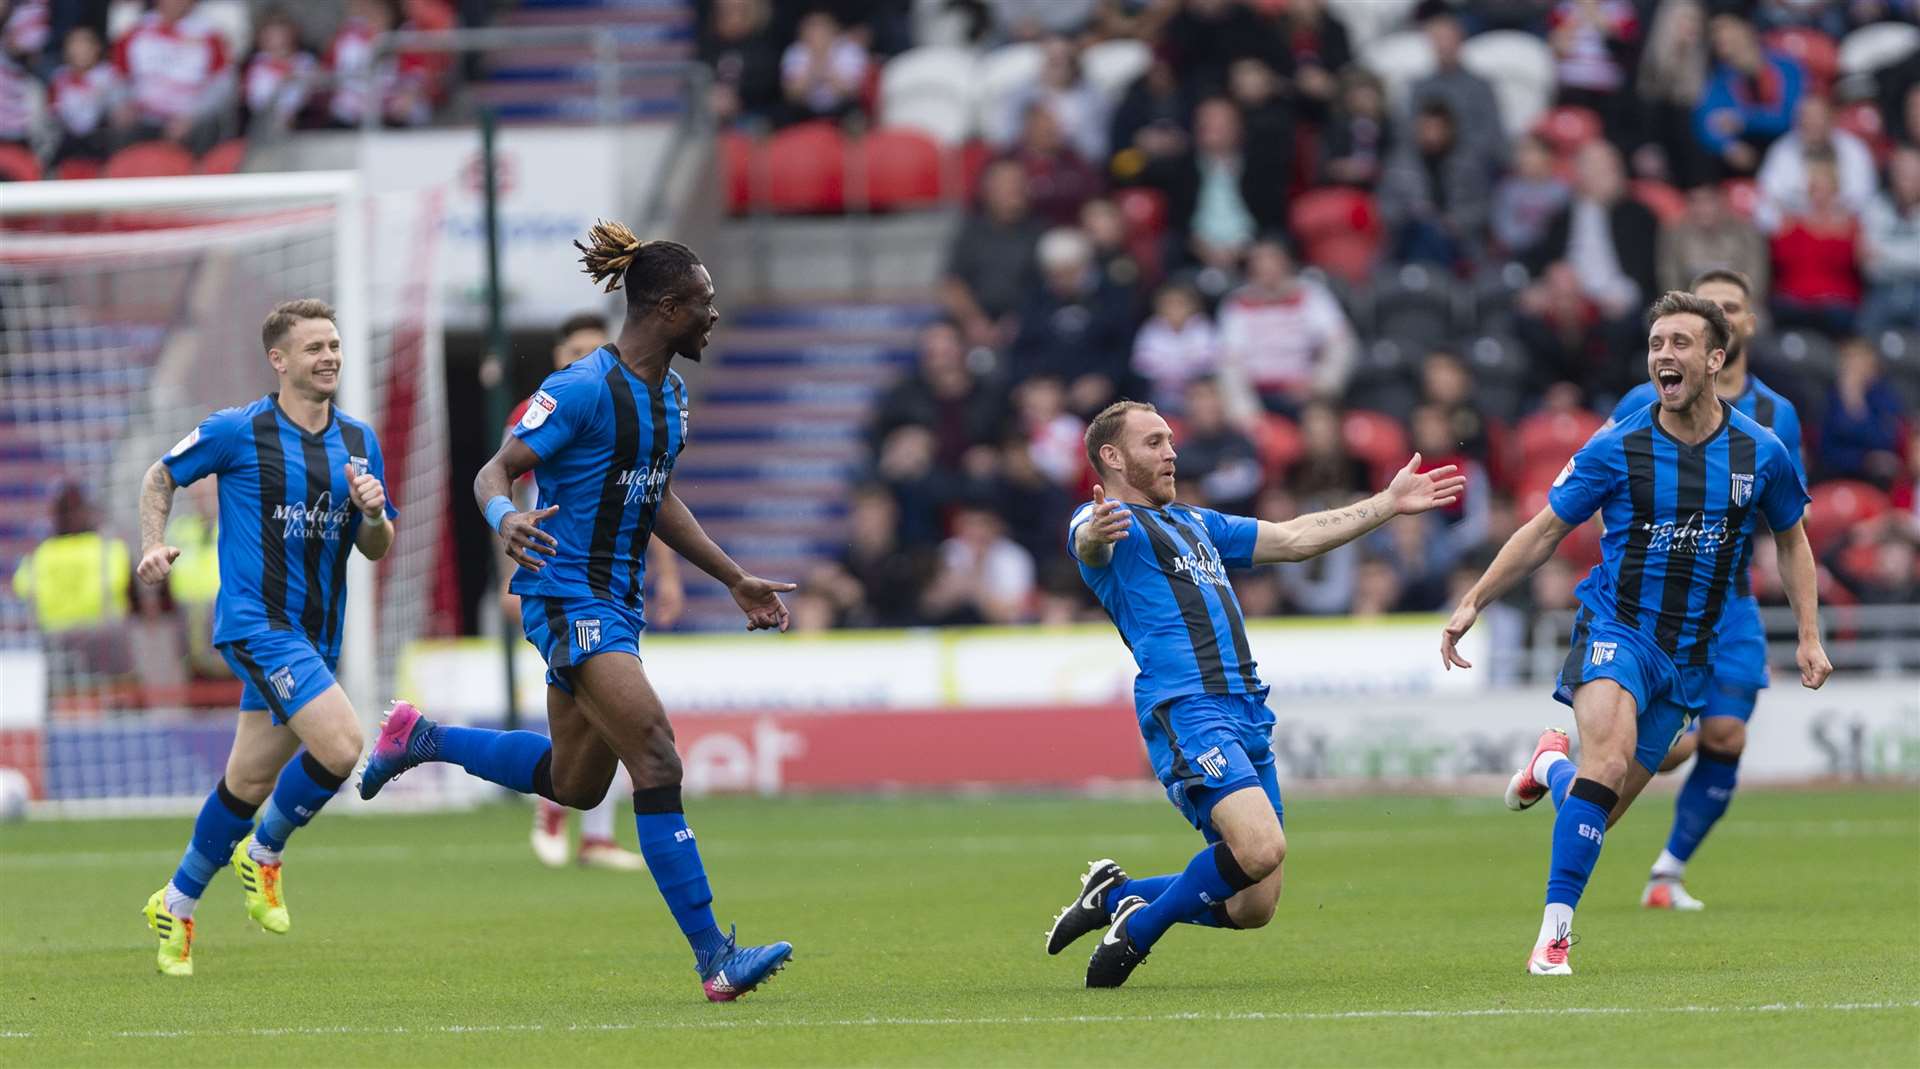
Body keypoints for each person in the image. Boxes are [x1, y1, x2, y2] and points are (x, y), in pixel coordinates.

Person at [357, 222, 797, 1003]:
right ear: (667, 309)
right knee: (656, 756)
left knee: (577, 783)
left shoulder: (671, 396)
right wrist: (505, 520)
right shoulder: (579, 388)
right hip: (566, 595)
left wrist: (732, 577)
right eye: (705, 303)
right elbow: (493, 472)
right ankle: (714, 956)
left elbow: (654, 494)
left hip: (616, 603)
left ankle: (422, 736)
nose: (714, 316)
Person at [1440, 290, 1830, 975]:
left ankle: (1550, 766)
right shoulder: (1617, 445)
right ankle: (1554, 936)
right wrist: (1475, 598)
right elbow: (1545, 530)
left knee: (1597, 803)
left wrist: (1808, 634)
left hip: (1690, 655)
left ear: (1715, 359)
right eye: (1656, 344)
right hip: (1615, 629)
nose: (1663, 355)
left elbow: (1792, 539)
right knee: (1611, 761)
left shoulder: (1759, 450)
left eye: (1679, 343)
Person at [1046, 401, 1465, 988]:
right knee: (1261, 847)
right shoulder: (1106, 523)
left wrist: (1388, 505)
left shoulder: (1198, 524)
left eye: (1170, 439)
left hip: (1247, 709)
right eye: (1153, 442)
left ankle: (1119, 895)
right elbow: (1088, 545)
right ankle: (1137, 932)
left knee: (1254, 905)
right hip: (1187, 707)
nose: (1171, 452)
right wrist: (1094, 532)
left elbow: (1295, 538)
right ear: (1111, 458)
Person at [133, 299, 399, 976]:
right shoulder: (238, 430)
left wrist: (371, 513)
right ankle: (265, 851)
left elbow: (377, 545)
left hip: (316, 634)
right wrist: (153, 543)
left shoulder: (360, 441)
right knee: (342, 744)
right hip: (258, 623)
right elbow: (160, 473)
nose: (330, 356)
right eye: (314, 347)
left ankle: (179, 902)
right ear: (278, 360)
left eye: (334, 344)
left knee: (248, 778)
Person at [1602, 269, 1804, 912]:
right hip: (1655, 606)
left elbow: (1787, 520)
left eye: (1731, 307)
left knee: (1726, 737)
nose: (1720, 313)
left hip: (1732, 602)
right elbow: (1602, 480)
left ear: (1743, 325)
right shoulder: (1642, 398)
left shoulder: (1777, 418)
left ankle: (1667, 872)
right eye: (1708, 305)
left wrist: (1806, 623)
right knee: (1667, 752)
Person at [506, 312, 679, 872]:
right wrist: (509, 566)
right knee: (642, 736)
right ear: (558, 356)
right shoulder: (552, 407)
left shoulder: (653, 398)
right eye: (571, 349)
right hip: (562, 583)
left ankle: (589, 831)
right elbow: (507, 485)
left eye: (590, 346)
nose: (581, 356)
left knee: (587, 759)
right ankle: (712, 948)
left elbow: (651, 497)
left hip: (617, 589)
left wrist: (672, 574)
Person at [112, 0, 230, 151]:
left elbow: (222, 84)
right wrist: (122, 104)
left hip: (189, 120)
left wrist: (192, 117)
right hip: (141, 117)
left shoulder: (209, 34)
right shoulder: (136, 30)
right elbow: (118, 75)